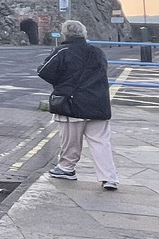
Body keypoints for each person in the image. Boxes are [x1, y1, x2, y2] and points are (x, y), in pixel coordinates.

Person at [38, 20, 119, 190]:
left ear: (65, 34)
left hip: (72, 103)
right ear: (84, 33)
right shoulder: (97, 52)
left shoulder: (63, 51)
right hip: (98, 103)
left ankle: (67, 168)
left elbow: (43, 71)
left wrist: (61, 83)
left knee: (70, 140)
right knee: (101, 142)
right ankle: (109, 177)